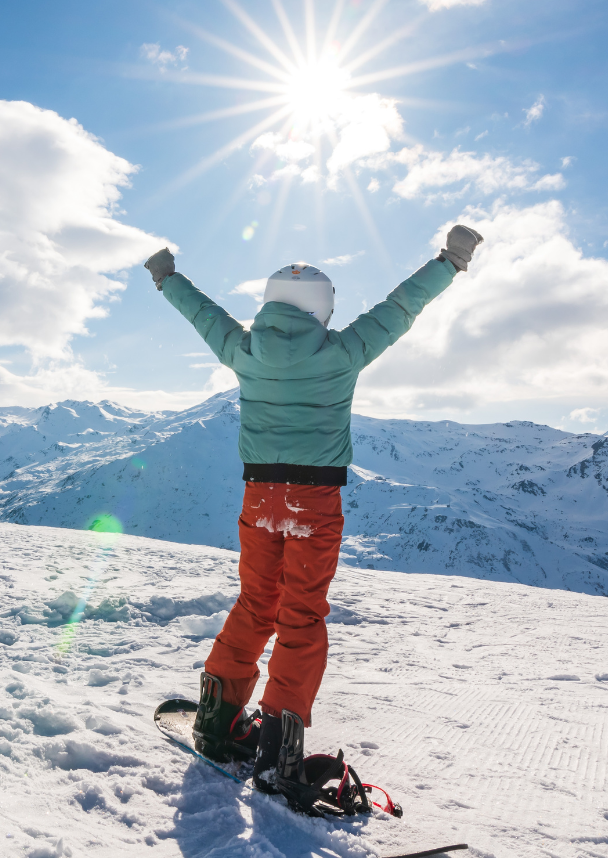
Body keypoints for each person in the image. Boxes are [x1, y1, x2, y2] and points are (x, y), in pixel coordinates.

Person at [142, 224, 483, 804]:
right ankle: (277, 751)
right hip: (314, 501)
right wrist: (450, 261)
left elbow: (202, 314)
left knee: (255, 604)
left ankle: (218, 722)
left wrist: (166, 277)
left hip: (259, 497)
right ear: (322, 309)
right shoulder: (342, 351)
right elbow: (399, 308)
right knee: (299, 617)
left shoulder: (243, 348)